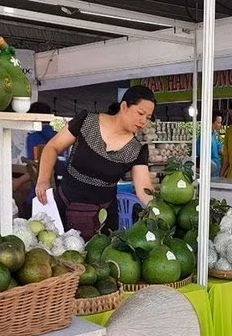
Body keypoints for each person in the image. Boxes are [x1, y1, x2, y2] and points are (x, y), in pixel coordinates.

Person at [35, 85, 156, 237]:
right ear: (124, 106)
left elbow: (144, 188)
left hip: (103, 222)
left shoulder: (137, 150)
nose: (143, 121)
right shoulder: (86, 121)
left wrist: (159, 209)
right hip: (64, 209)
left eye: (148, 117)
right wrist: (43, 179)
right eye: (140, 113)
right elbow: (52, 147)